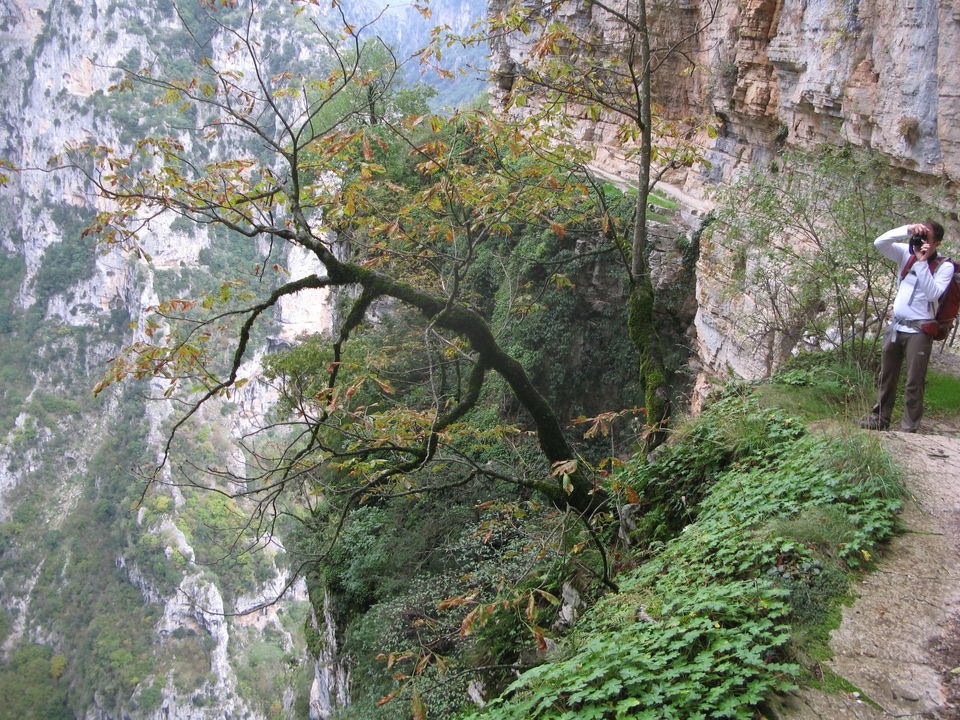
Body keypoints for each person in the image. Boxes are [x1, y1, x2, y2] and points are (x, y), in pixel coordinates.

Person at [857, 220, 950, 432]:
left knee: (914, 380)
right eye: (919, 236)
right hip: (896, 326)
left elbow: (933, 293)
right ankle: (880, 418)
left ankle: (909, 427)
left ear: (938, 243)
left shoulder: (944, 267)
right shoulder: (905, 255)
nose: (920, 241)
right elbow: (879, 242)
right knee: (887, 375)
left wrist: (922, 262)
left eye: (926, 238)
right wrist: (907, 230)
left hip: (920, 330)